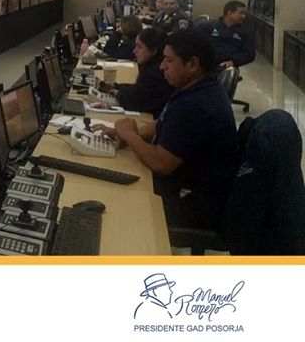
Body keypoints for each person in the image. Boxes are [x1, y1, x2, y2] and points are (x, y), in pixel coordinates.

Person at [97, 29, 239, 230]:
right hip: (188, 188)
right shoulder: (199, 88)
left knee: (112, 203)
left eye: (169, 60)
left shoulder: (195, 106)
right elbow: (163, 122)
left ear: (192, 64)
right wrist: (130, 134)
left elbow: (161, 163)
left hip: (191, 205)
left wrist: (130, 135)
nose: (162, 66)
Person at [100, 27, 175, 118]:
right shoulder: (152, 66)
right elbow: (138, 90)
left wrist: (115, 93)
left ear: (153, 51)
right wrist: (116, 86)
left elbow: (134, 101)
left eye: (139, 47)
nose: (134, 51)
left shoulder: (155, 72)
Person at [207, 0, 256, 68]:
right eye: (241, 13)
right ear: (229, 13)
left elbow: (249, 54)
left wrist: (233, 62)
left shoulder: (245, 32)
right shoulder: (210, 26)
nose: (243, 16)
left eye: (244, 13)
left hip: (227, 67)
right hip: (207, 64)